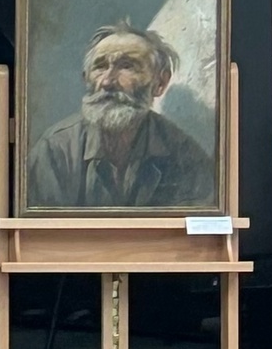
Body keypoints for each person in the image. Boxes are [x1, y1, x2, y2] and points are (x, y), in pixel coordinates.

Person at [26, 20, 216, 210]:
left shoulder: (185, 157)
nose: (107, 82)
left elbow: (196, 224)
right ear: (86, 79)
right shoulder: (55, 151)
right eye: (100, 67)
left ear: (160, 82)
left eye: (127, 66)